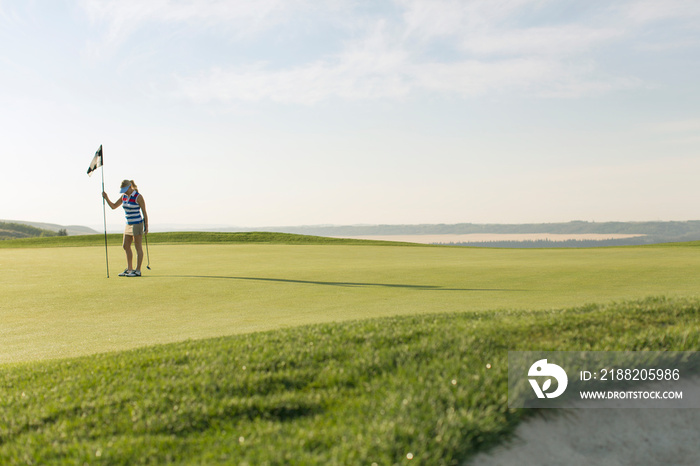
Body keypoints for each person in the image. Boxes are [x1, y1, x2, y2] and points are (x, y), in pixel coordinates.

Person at [103, 180, 149, 277]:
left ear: (129, 187)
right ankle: (129, 269)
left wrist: (146, 226)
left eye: (125, 189)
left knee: (138, 247)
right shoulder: (123, 196)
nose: (124, 192)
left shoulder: (138, 196)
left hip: (137, 224)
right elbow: (114, 206)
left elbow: (144, 212)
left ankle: (137, 271)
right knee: (125, 246)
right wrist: (106, 198)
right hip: (128, 224)